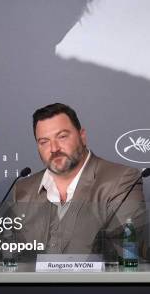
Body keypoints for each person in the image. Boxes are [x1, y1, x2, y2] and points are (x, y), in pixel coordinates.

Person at [13, 103, 147, 256]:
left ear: (82, 136)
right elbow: (13, 257)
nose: (54, 148)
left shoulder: (121, 180)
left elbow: (126, 252)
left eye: (62, 136)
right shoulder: (23, 189)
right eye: (44, 142)